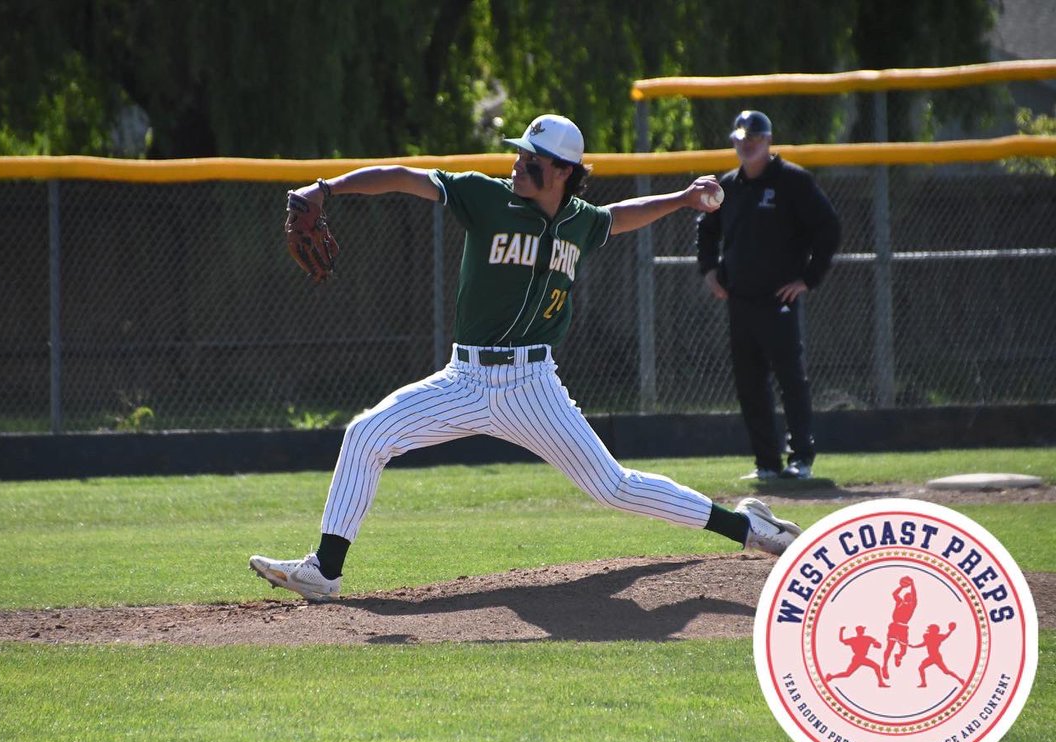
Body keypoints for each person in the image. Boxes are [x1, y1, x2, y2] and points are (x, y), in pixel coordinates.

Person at [250, 114, 801, 602]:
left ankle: (746, 526)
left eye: (531, 160)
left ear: (562, 171)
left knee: (613, 487)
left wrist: (681, 200)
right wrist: (329, 187)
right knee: (366, 435)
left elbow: (619, 216)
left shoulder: (579, 220)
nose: (517, 165)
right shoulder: (485, 197)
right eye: (518, 154)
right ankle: (325, 570)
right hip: (463, 380)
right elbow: (403, 176)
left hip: (532, 386)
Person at [695, 110, 840, 481]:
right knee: (749, 382)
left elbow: (829, 228)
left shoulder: (792, 181)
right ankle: (766, 463)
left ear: (768, 140)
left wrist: (808, 278)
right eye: (741, 139)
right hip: (739, 300)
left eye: (754, 139)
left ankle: (801, 458)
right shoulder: (729, 185)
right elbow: (707, 229)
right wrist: (710, 270)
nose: (747, 145)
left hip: (779, 299)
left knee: (790, 378)